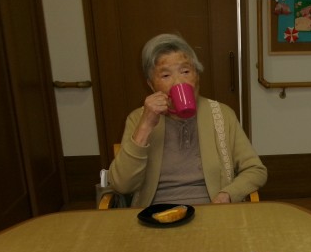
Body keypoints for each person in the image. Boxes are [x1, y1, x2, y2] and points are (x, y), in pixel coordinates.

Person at [109, 33, 267, 207]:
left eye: (185, 71)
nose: (178, 82)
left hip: (213, 211)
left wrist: (228, 194)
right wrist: (145, 126)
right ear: (151, 85)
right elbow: (121, 185)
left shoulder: (222, 114)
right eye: (166, 75)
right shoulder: (138, 119)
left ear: (197, 75)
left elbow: (255, 169)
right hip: (155, 214)